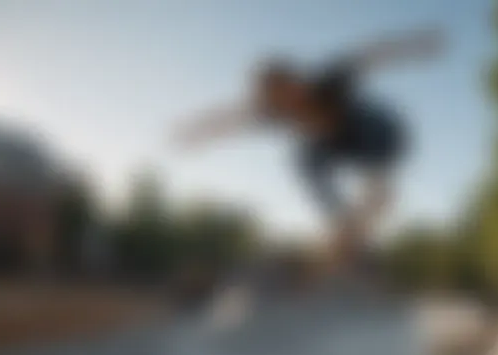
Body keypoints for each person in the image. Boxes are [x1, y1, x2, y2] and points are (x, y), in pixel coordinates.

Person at [173, 27, 445, 278]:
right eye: (284, 103)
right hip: (341, 148)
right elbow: (235, 117)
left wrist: (418, 44)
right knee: (303, 160)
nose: (294, 107)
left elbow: (372, 54)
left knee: (360, 144)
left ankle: (378, 192)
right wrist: (197, 131)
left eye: (294, 93)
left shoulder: (329, 82)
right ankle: (344, 224)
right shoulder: (274, 112)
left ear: (300, 82)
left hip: (384, 133)